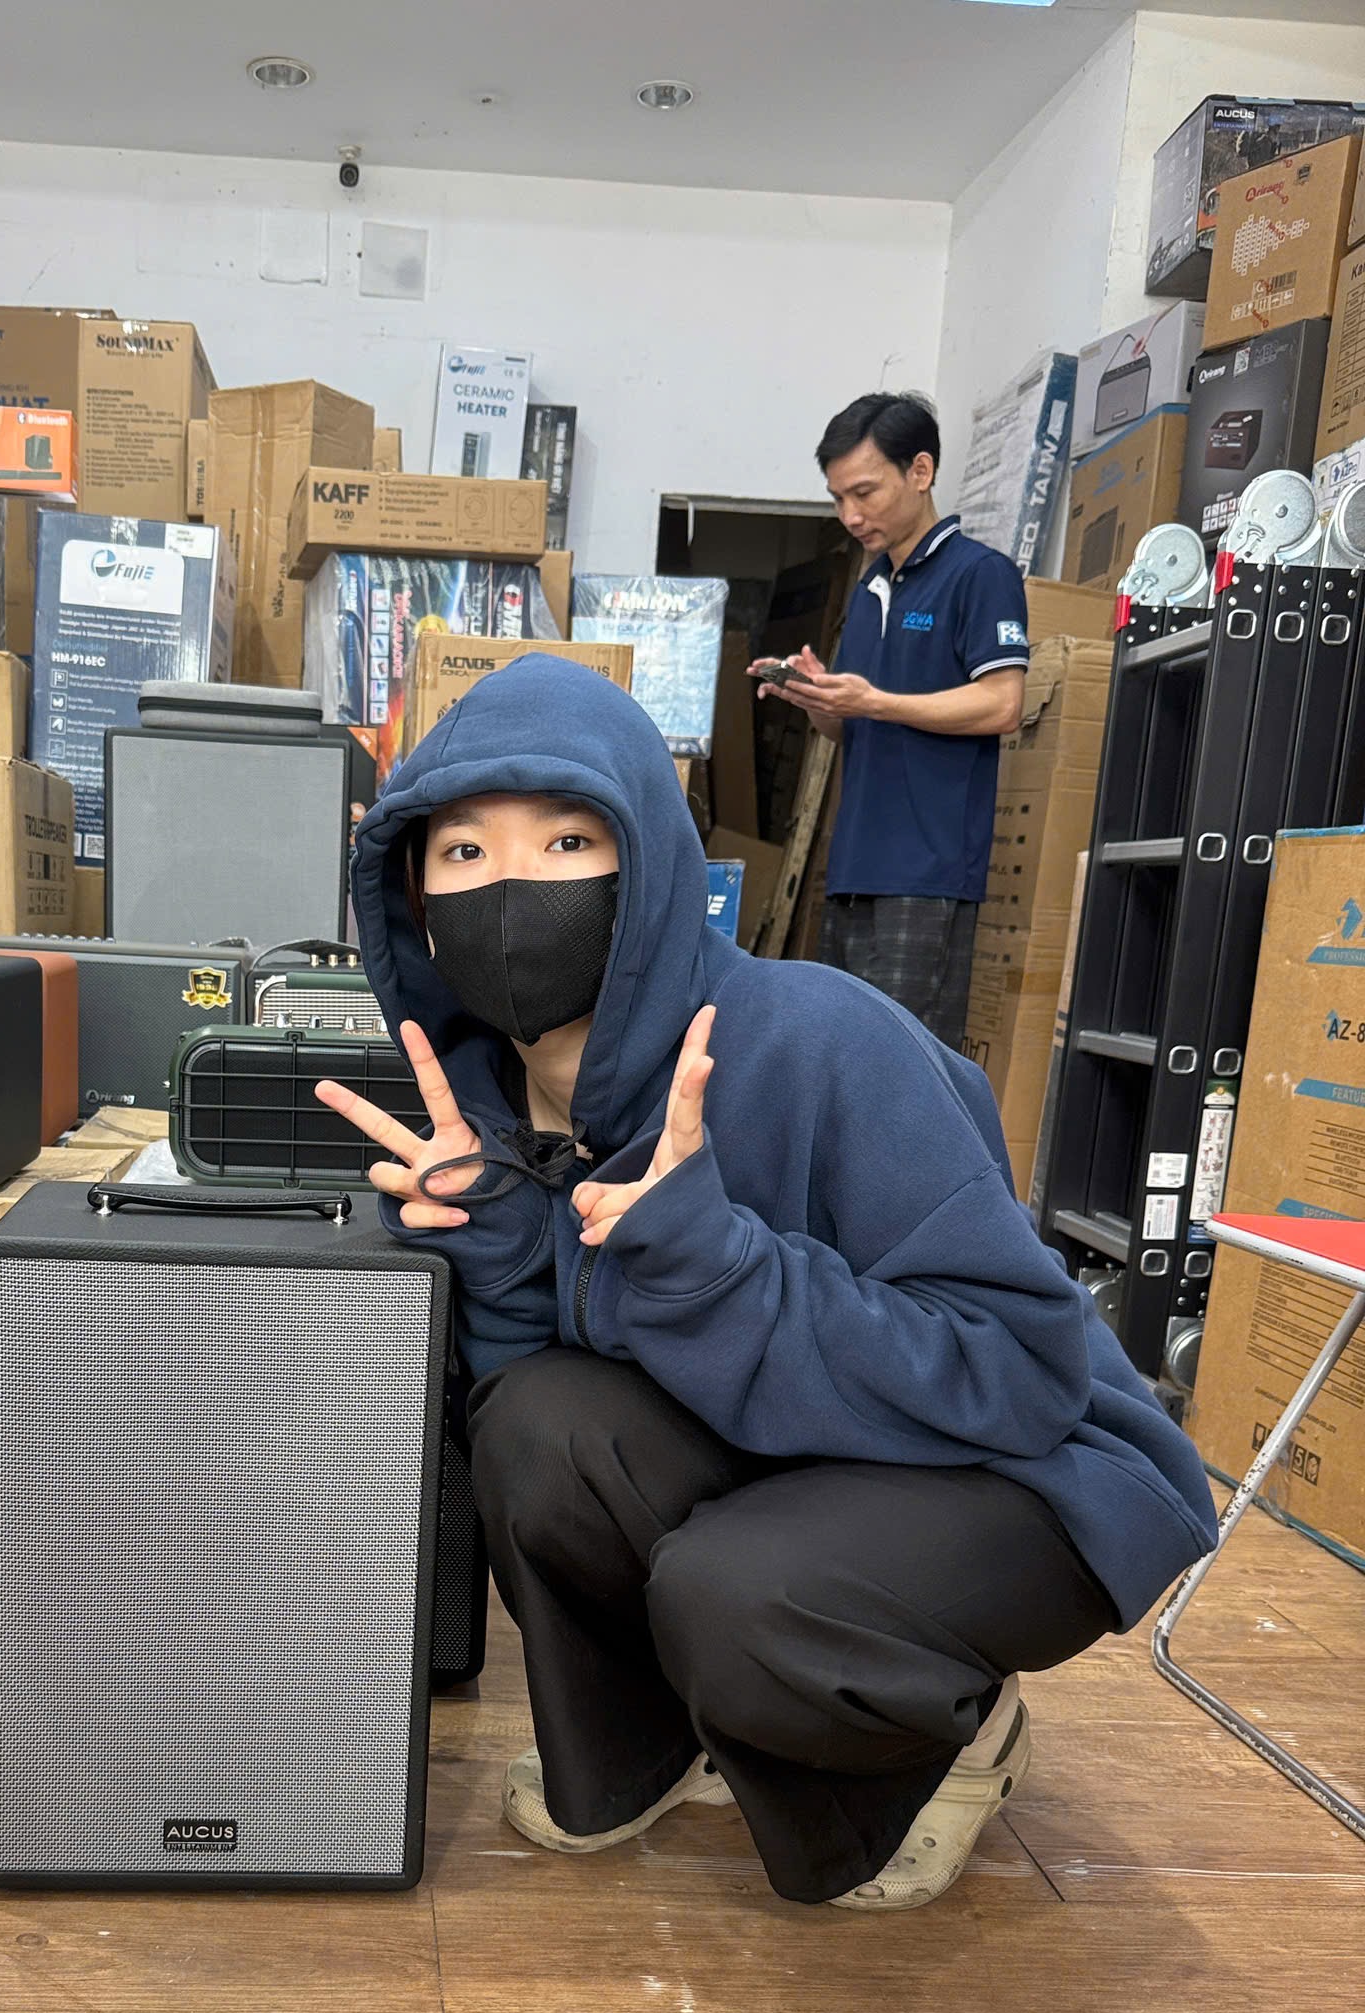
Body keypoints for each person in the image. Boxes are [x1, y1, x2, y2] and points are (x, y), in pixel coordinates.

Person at [316, 655, 1215, 1910]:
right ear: (412, 892)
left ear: (648, 864)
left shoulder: (820, 1037)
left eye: (568, 840)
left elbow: (1019, 1371)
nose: (512, 888)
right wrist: (505, 1245)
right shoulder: (484, 1101)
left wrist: (719, 1266)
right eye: (463, 851)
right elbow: (542, 1389)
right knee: (533, 1431)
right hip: (794, 1445)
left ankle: (948, 1740)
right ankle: (646, 1752)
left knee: (739, 1595)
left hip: (1024, 1470)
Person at [763, 391, 1028, 1054]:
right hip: (854, 871)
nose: (850, 516)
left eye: (864, 492)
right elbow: (849, 727)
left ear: (921, 471)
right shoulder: (870, 589)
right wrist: (816, 698)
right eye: (838, 499)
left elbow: (1002, 703)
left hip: (926, 875)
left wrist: (874, 701)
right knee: (848, 1060)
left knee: (905, 1068)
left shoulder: (979, 575)